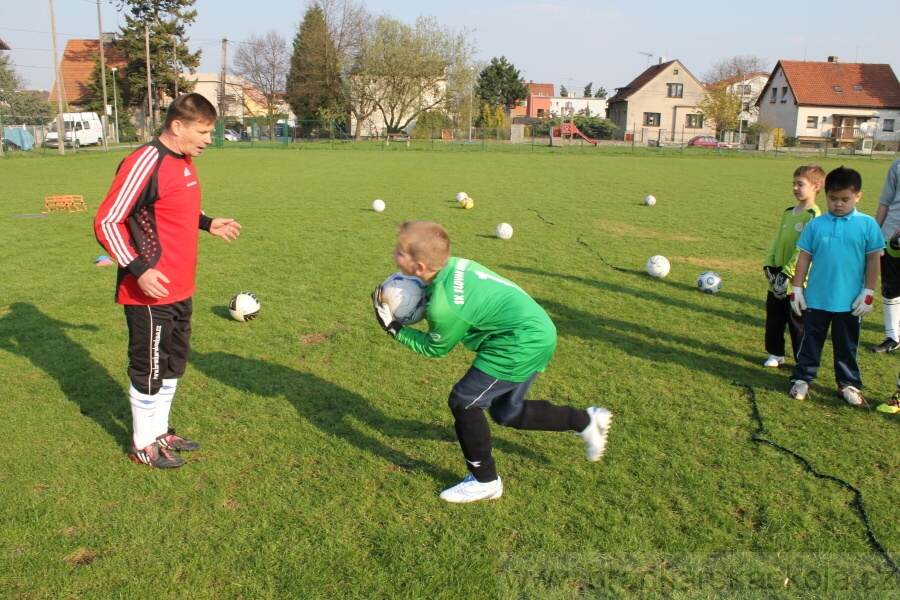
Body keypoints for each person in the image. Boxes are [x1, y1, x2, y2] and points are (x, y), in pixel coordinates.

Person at [371, 221, 612, 503]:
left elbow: (434, 349)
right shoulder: (456, 264)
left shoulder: (445, 305)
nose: (393, 253)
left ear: (420, 267)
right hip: (536, 328)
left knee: (465, 400)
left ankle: (484, 480)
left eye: (400, 252)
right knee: (506, 411)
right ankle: (586, 421)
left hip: (519, 342)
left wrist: (393, 327)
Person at [94, 93, 242, 468]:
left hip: (181, 285)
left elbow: (176, 205)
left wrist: (208, 222)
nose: (209, 138)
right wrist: (139, 270)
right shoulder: (144, 161)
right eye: (204, 131)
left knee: (174, 363)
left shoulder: (185, 160)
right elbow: (108, 221)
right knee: (150, 366)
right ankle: (143, 444)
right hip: (149, 290)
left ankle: (160, 430)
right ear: (177, 126)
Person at [788, 166, 883, 406]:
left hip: (850, 301)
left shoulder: (868, 225)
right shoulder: (816, 224)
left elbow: (873, 259)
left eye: (845, 199)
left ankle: (848, 384)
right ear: (826, 195)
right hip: (817, 298)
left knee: (846, 345)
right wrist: (797, 289)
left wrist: (868, 292)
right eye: (833, 199)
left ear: (857, 197)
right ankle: (802, 379)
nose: (838, 204)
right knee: (810, 342)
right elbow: (804, 257)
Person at [761, 164, 824, 368]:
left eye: (800, 184)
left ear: (815, 186)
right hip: (776, 277)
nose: (796, 188)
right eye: (794, 184)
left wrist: (788, 273)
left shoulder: (813, 216)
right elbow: (777, 240)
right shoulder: (789, 213)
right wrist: (769, 264)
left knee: (796, 324)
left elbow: (803, 250)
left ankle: (802, 360)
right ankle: (776, 353)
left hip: (795, 281)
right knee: (774, 320)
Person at [871, 158, 900, 353]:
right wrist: (876, 235)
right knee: (890, 287)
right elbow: (885, 201)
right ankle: (892, 336)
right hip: (891, 235)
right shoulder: (897, 165)